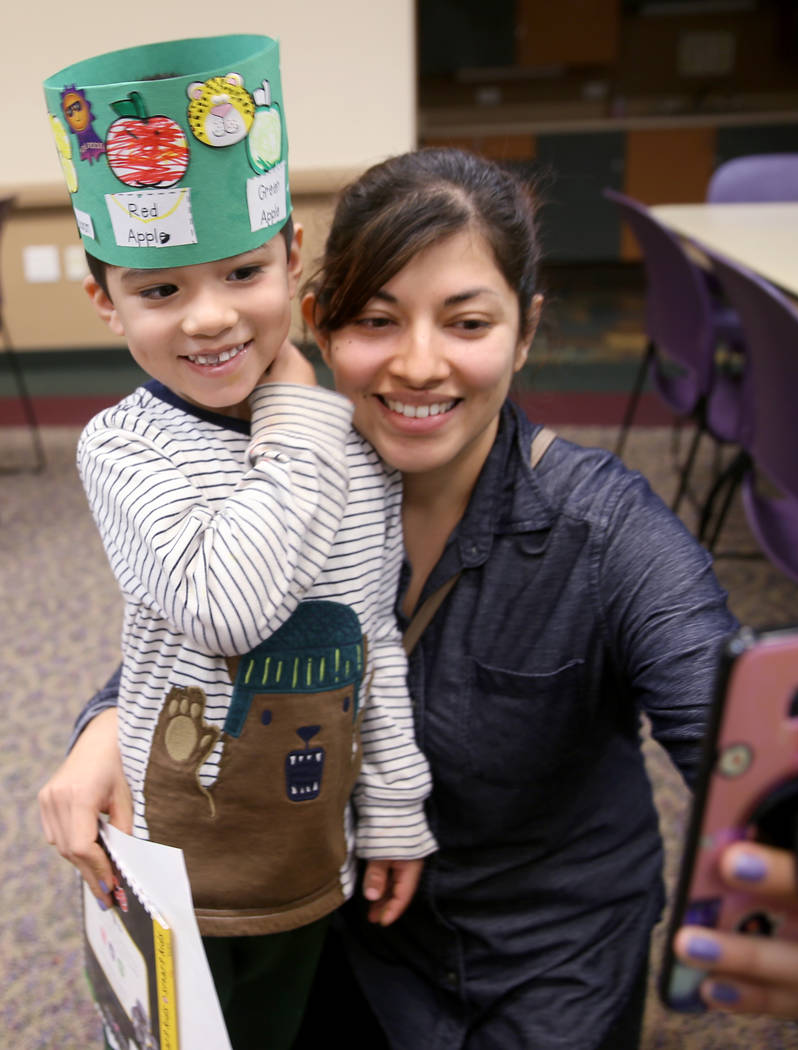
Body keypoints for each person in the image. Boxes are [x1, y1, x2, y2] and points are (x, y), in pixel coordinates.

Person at [41, 147, 798, 1049]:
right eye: (377, 321)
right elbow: (201, 624)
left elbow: (719, 700)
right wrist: (106, 718)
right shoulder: (288, 478)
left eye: (467, 323)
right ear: (317, 321)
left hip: (542, 958)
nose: (420, 366)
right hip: (350, 927)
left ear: (526, 331)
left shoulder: (606, 532)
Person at [39, 38, 435, 1050]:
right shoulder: (125, 448)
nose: (210, 317)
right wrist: (302, 415)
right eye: (159, 290)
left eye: (243, 272)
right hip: (176, 859)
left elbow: (369, 636)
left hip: (312, 851)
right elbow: (226, 608)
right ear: (105, 301)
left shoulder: (353, 444)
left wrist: (391, 808)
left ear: (291, 256)